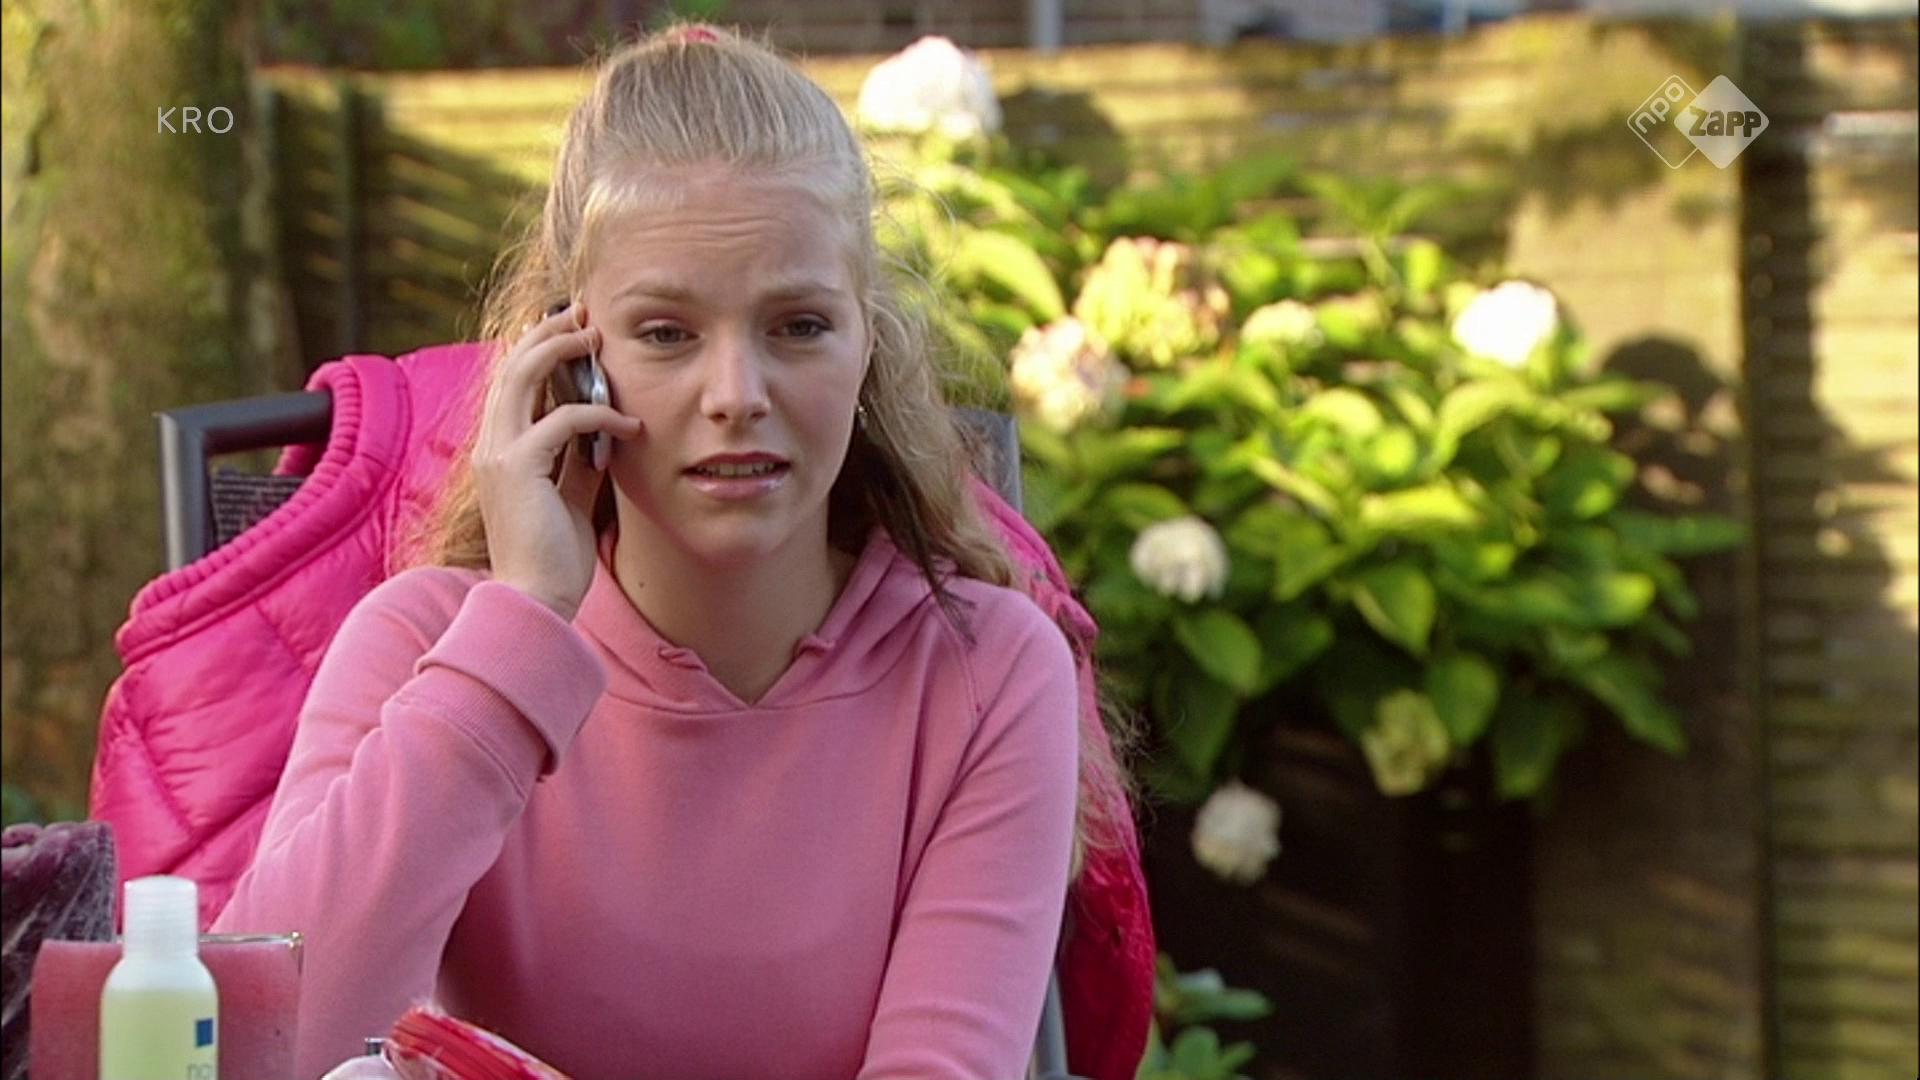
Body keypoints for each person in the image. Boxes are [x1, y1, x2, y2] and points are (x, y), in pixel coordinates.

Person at [213, 23, 1114, 1079]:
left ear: (868, 345)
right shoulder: (422, 647)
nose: (737, 395)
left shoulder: (986, 671)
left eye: (799, 326)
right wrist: (516, 636)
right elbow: (252, 1053)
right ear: (569, 365)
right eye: (666, 334)